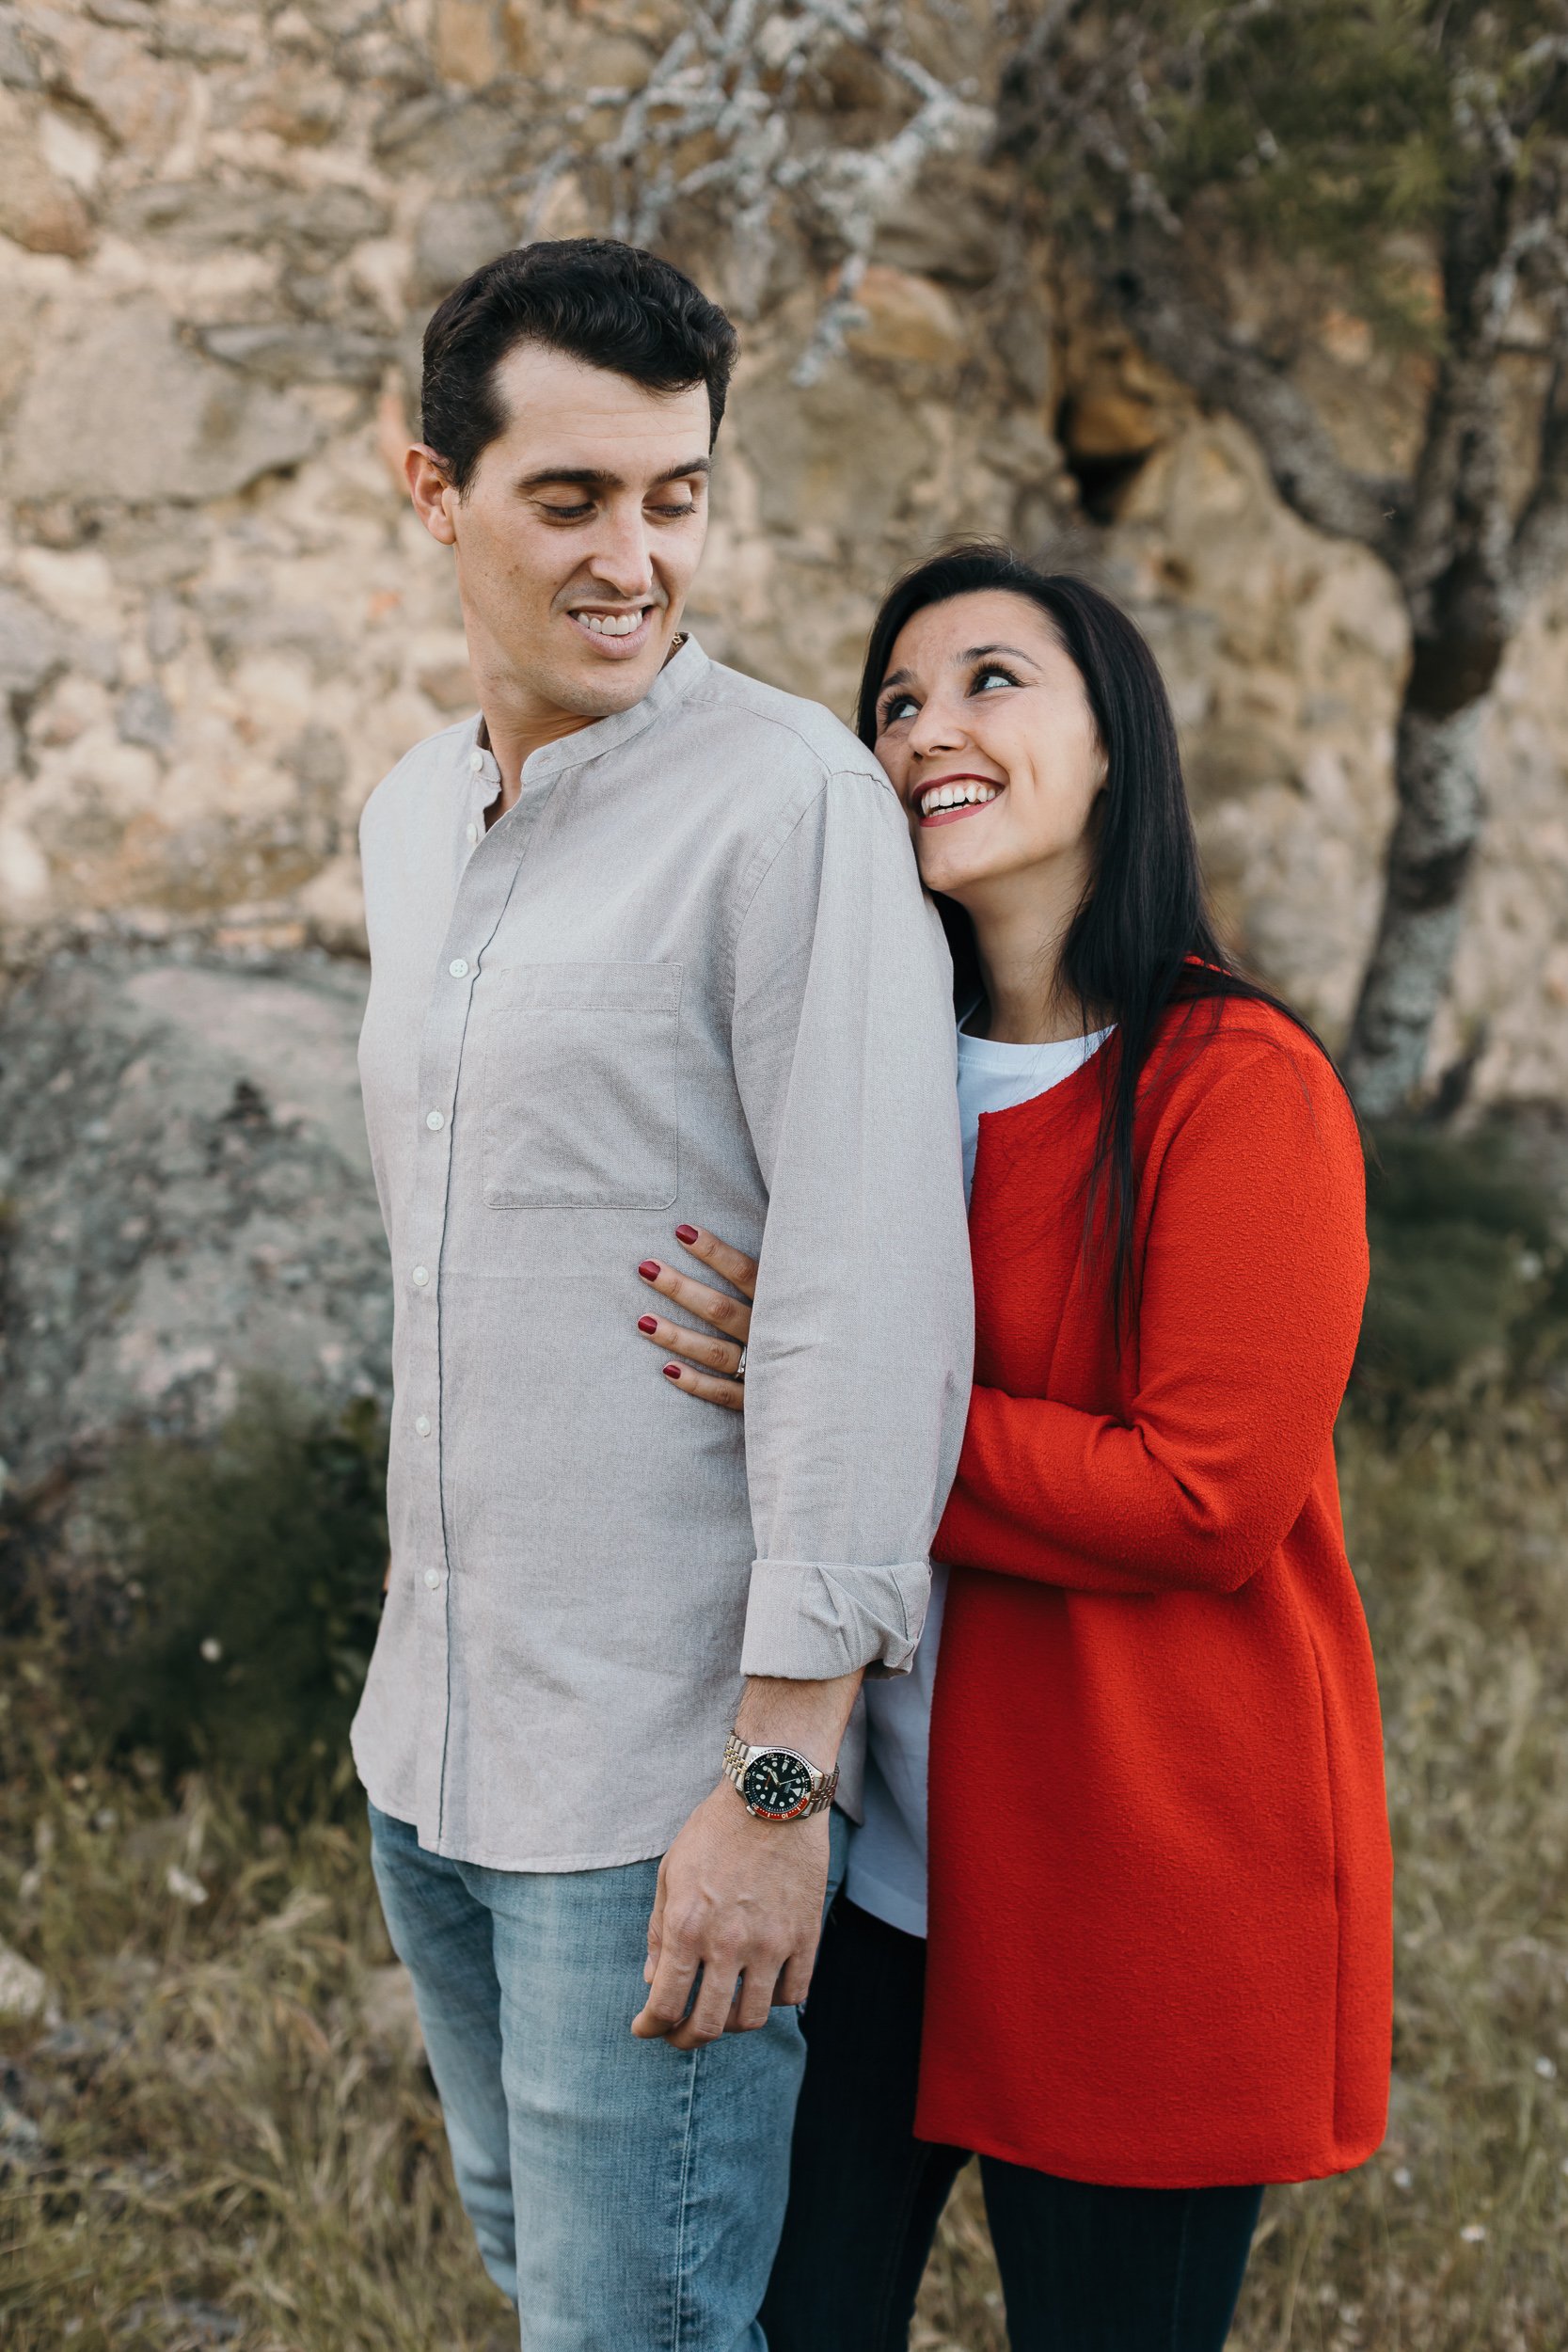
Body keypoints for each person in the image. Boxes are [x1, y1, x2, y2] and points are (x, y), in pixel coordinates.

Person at [638, 545, 1394, 2351]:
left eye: (991, 681)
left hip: (1142, 1904)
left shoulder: (1238, 1087)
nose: (926, 731)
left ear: (1114, 744)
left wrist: (840, 1397)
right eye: (895, 703)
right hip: (872, 1887)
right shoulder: (870, 1078)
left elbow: (1205, 1501)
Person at [350, 239, 974, 2352]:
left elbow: (871, 1301)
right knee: (569, 2300)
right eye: (573, 498)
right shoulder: (410, 820)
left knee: (645, 2330)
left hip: (663, 1786)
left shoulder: (792, 804)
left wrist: (780, 1785)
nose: (637, 559)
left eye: (677, 496)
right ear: (433, 490)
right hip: (430, 1750)